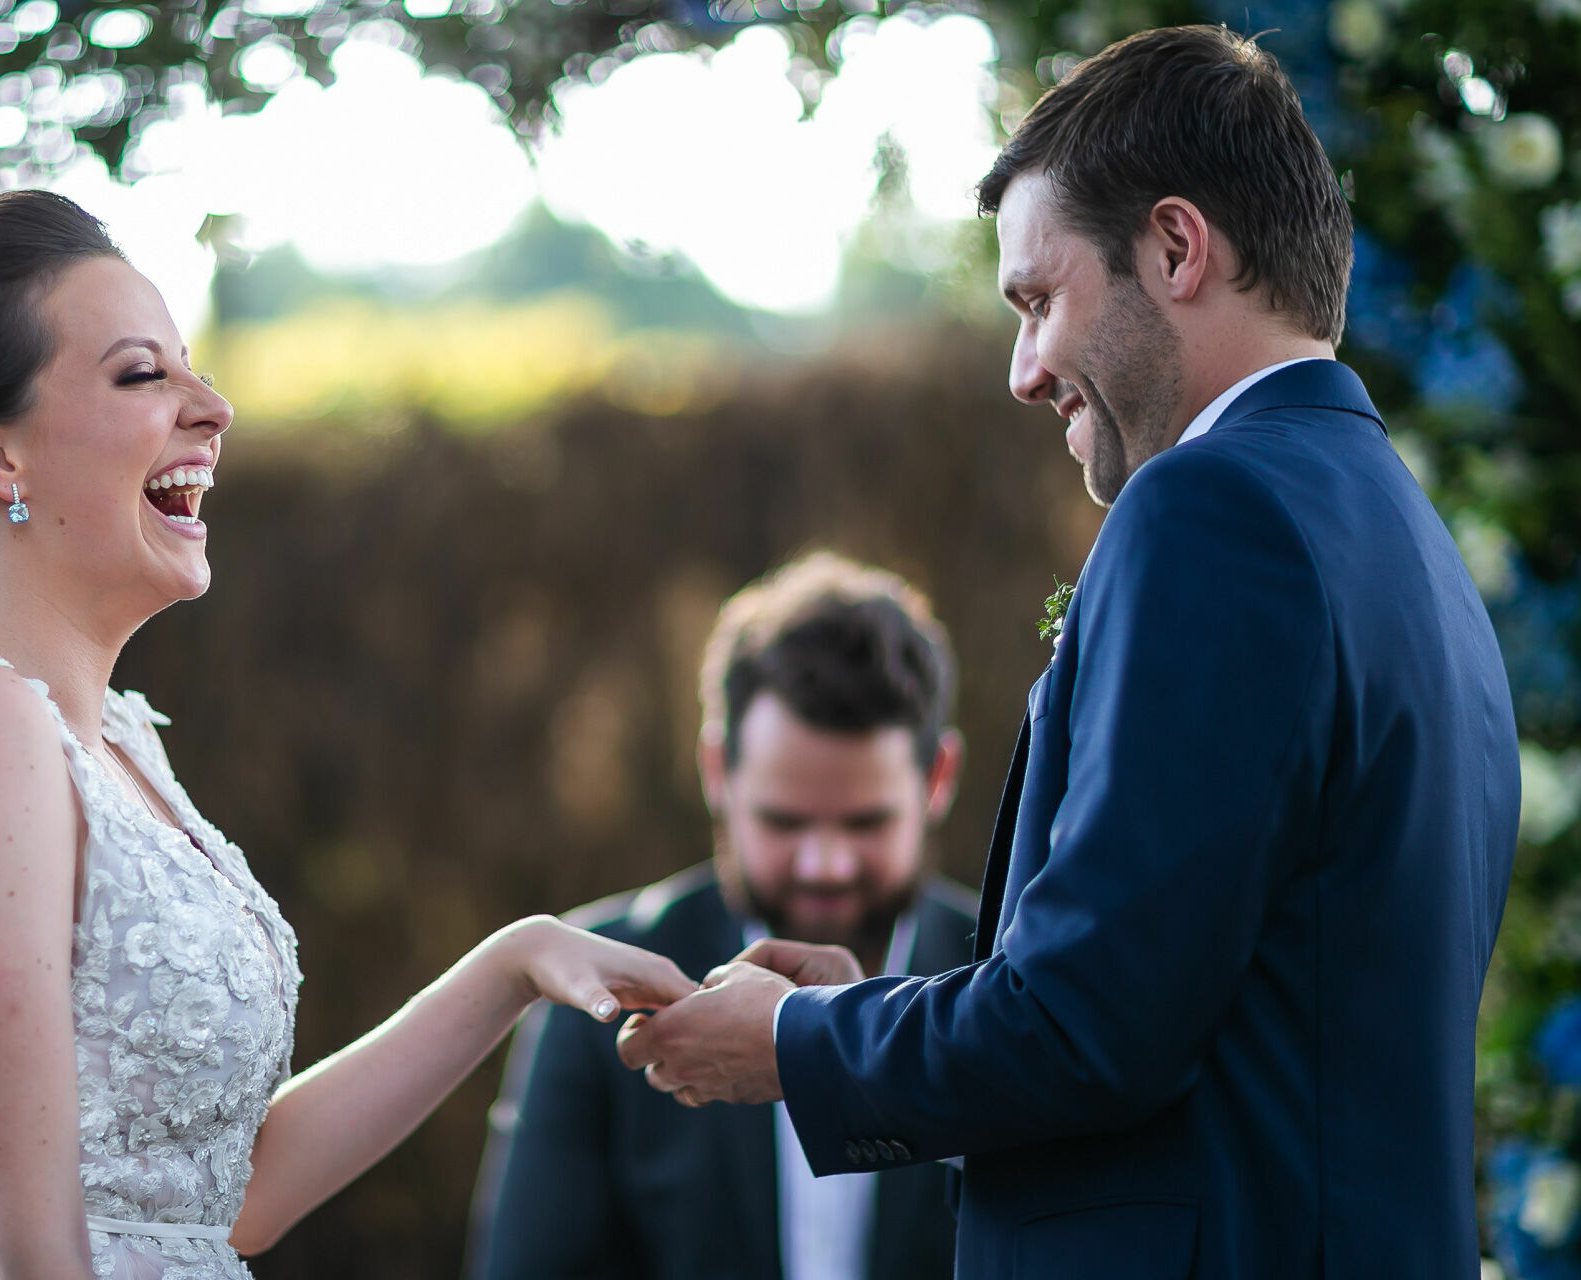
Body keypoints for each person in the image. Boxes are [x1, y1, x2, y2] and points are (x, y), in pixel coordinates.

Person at [613, 25, 1520, 1279]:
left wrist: (801, 1043)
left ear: (1176, 246)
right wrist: (860, 1006)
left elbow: (1097, 1025)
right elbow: (1217, 1012)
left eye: (1039, 302)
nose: (1023, 371)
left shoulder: (1214, 512)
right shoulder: (1400, 530)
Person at [0, 188, 696, 1280]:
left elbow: (230, 1197)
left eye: (191, 366)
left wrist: (515, 961)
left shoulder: (119, 747)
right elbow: (11, 1243)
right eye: (142, 373)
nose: (211, 408)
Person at [468, 552, 978, 1280]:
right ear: (717, 773)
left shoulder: (1002, 979)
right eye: (785, 822)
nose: (824, 865)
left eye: (865, 823)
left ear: (937, 780)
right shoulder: (594, 994)